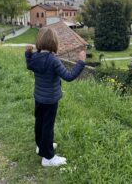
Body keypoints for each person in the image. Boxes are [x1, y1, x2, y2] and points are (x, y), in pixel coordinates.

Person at [25, 28, 86, 167]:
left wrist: (27, 52)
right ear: (54, 42)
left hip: (39, 98)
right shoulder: (53, 60)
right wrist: (81, 62)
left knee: (40, 123)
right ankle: (48, 158)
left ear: (39, 41)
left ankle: (41, 146)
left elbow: (29, 64)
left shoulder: (35, 57)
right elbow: (69, 76)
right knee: (48, 127)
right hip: (50, 100)